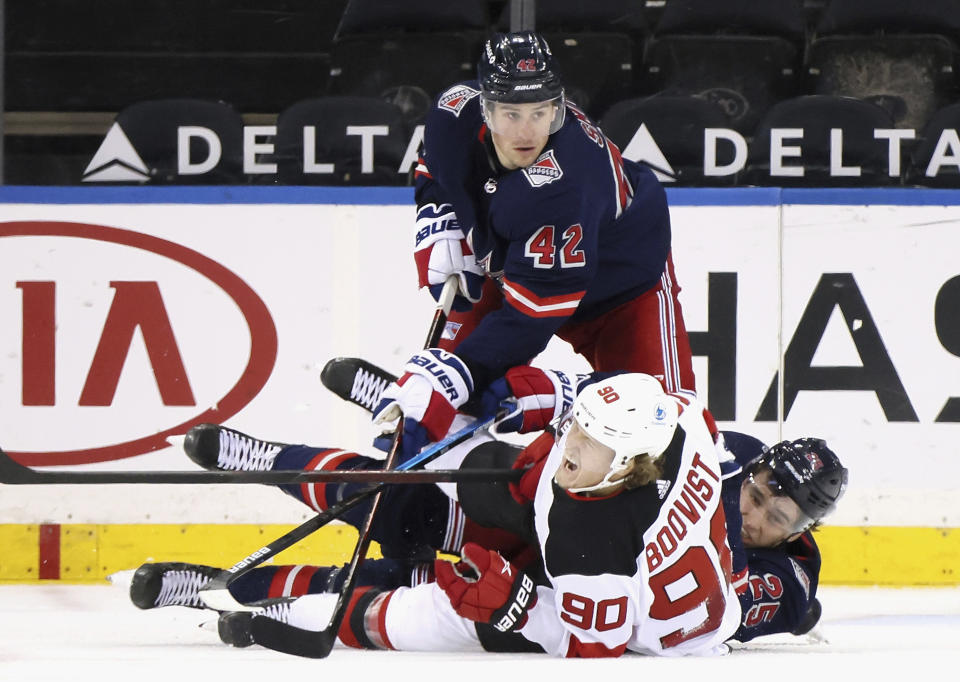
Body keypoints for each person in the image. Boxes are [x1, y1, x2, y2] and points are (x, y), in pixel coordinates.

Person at [131, 373, 741, 657]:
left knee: (399, 604)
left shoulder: (593, 544)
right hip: (569, 544)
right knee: (403, 503)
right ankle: (282, 454)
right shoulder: (678, 418)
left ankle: (232, 596)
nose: (572, 441)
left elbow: (593, 650)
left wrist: (515, 605)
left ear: (629, 460)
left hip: (581, 603)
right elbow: (596, 394)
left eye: (590, 438)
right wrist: (542, 396)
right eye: (578, 427)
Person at [380, 30, 696, 458]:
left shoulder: (567, 183)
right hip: (517, 265)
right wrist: (438, 217)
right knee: (446, 396)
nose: (527, 131)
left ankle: (490, 396)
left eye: (540, 112)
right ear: (485, 109)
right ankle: (422, 435)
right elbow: (433, 167)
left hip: (621, 287)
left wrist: (459, 373)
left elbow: (531, 318)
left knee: (669, 427)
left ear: (557, 107)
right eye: (511, 114)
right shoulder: (452, 112)